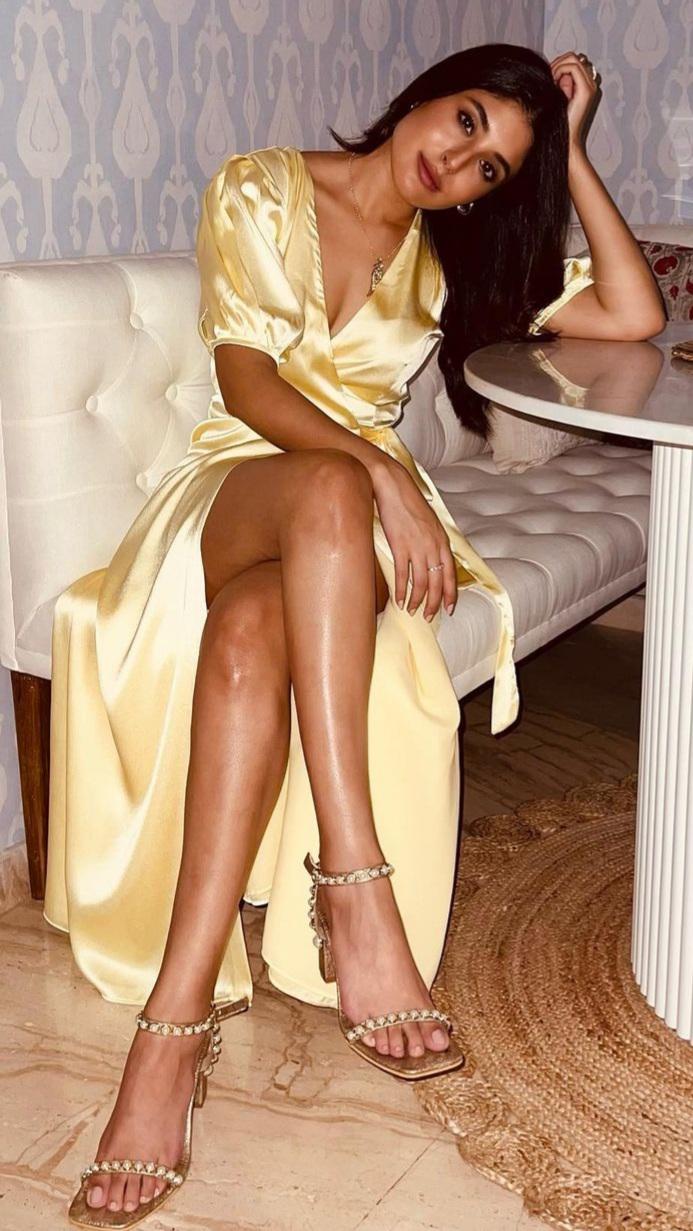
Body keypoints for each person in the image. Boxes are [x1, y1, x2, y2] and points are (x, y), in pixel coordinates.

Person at [49, 42, 665, 1226]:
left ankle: (170, 1031)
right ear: (429, 92)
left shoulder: (457, 262)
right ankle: (355, 884)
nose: (460, 165)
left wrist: (572, 150)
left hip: (350, 540)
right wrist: (381, 469)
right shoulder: (260, 184)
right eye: (467, 121)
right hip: (238, 489)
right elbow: (245, 384)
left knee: (248, 640)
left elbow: (635, 315)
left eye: (492, 170)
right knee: (330, 488)